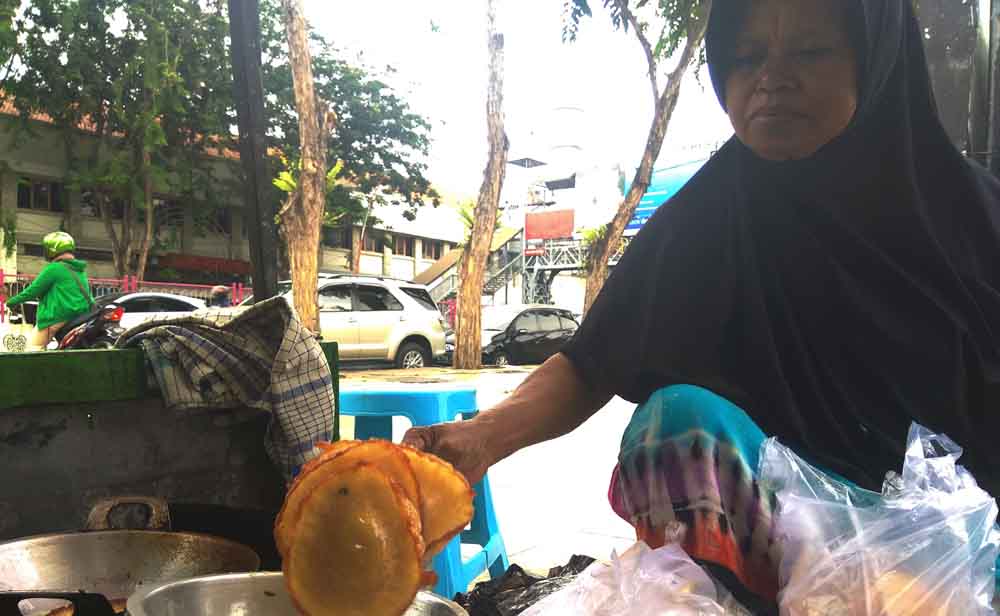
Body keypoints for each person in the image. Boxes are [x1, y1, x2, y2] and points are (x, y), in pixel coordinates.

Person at [403, 0, 1000, 611]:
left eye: (809, 51)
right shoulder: (711, 215)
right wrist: (476, 441)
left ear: (876, 60)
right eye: (746, 58)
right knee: (673, 424)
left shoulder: (977, 222)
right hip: (784, 552)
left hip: (957, 550)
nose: (771, 77)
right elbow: (595, 359)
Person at [5, 232, 95, 348]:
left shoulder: (54, 268)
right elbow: (87, 294)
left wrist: (11, 302)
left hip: (58, 317)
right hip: (80, 317)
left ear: (51, 250)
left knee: (32, 349)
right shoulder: (80, 270)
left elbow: (32, 291)